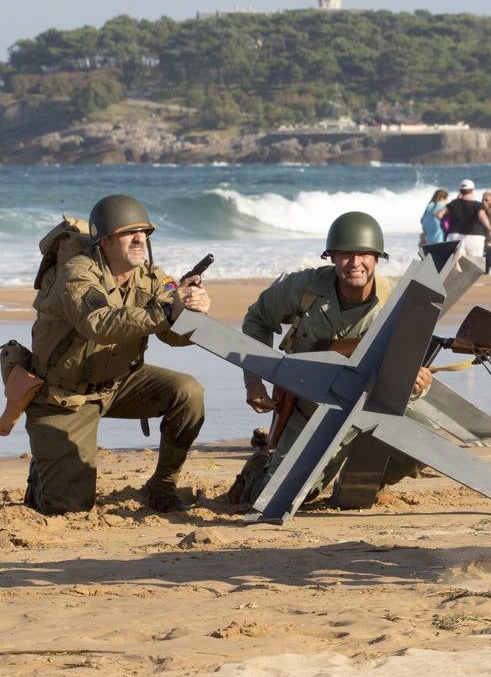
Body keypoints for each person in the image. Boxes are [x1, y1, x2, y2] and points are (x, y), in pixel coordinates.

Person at [24, 194, 209, 514]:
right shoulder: (76, 272)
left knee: (188, 392)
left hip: (119, 383)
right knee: (69, 508)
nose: (141, 239)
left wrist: (192, 311)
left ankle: (162, 486)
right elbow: (98, 323)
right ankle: (42, 475)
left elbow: (172, 336)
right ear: (105, 241)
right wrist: (167, 313)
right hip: (64, 396)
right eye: (130, 232)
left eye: (145, 232)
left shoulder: (152, 277)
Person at [234, 212, 433, 503]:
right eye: (345, 255)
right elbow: (257, 319)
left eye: (363, 254)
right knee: (279, 496)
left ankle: (359, 486)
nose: (355, 263)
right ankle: (256, 469)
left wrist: (417, 383)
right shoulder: (304, 289)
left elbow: (411, 365)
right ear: (331, 257)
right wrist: (254, 381)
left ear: (377, 258)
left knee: (424, 441)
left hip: (371, 404)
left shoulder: (398, 302)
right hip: (309, 407)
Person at [444, 179, 491, 264]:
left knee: (458, 264)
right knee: (473, 266)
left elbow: (439, 214)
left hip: (455, 236)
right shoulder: (478, 205)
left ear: (460, 191)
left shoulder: (454, 203)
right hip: (475, 237)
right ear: (472, 190)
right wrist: (489, 228)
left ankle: (458, 272)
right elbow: (481, 215)